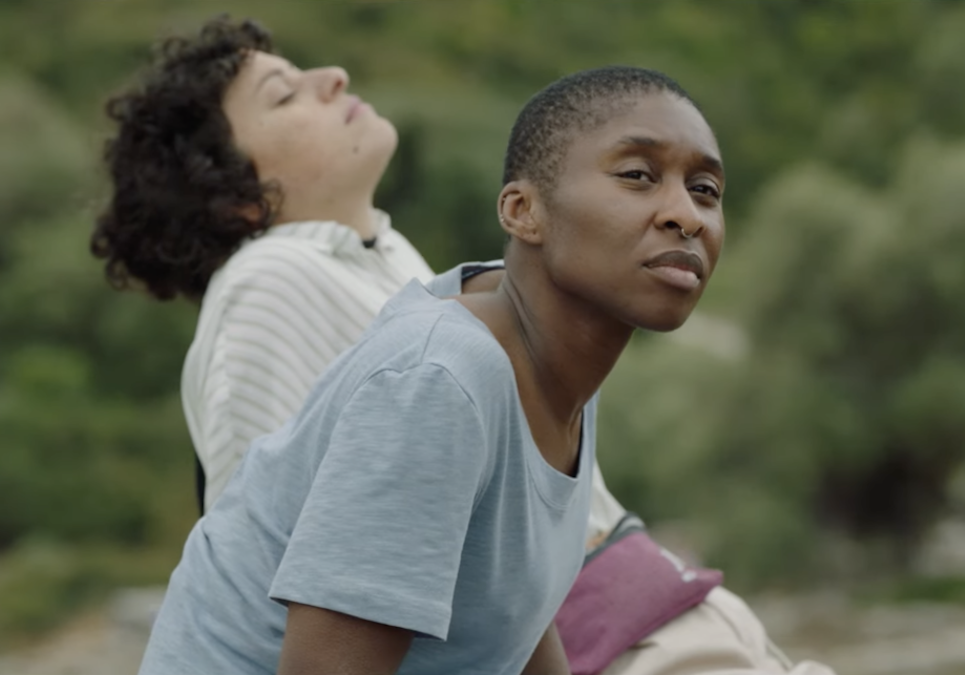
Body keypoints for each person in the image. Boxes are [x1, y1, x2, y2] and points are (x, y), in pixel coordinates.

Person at [94, 15, 834, 675]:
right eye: (638, 176)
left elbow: (513, 597)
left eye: (706, 191)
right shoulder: (430, 359)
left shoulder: (528, 343)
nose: (684, 215)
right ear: (522, 211)